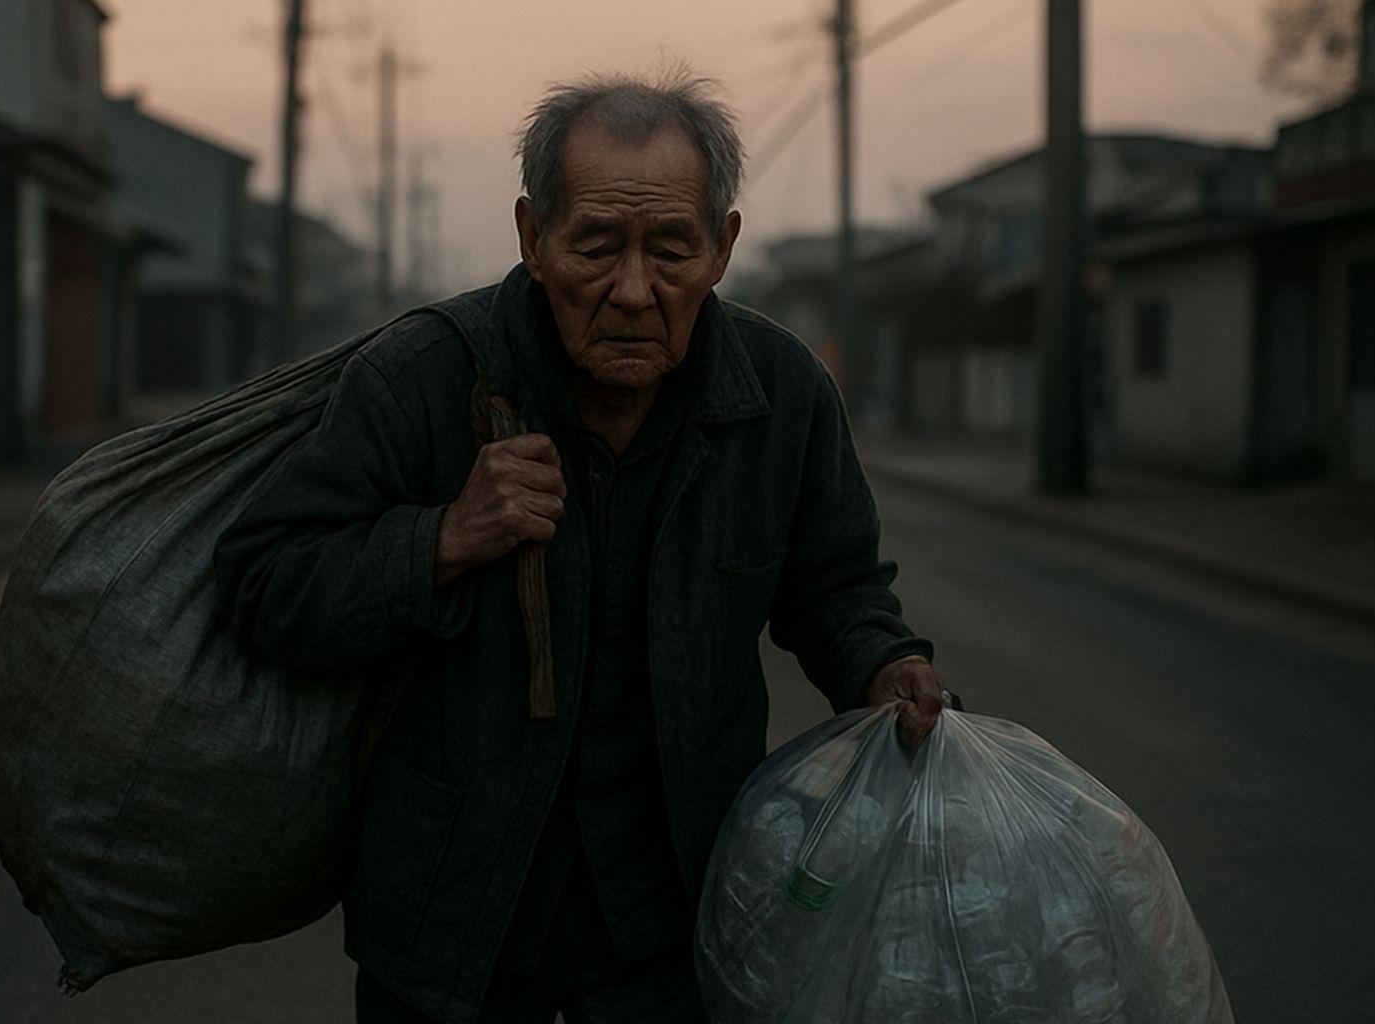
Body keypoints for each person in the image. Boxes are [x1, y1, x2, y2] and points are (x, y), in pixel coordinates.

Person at [213, 68, 943, 1024]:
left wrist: (883, 664)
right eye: (597, 245)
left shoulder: (783, 396)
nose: (634, 291)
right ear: (533, 237)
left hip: (679, 919)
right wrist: (440, 540)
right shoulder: (422, 378)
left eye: (671, 249)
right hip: (454, 924)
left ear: (721, 248)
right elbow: (263, 585)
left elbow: (835, 587)